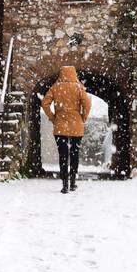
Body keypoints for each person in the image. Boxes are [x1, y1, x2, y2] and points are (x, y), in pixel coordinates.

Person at [41, 65, 91, 193]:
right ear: (74, 74)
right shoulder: (79, 87)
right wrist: (83, 118)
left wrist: (53, 117)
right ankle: (73, 182)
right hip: (76, 126)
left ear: (61, 74)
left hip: (60, 126)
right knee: (75, 154)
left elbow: (45, 103)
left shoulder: (56, 87)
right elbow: (87, 104)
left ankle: (64, 184)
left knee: (63, 155)